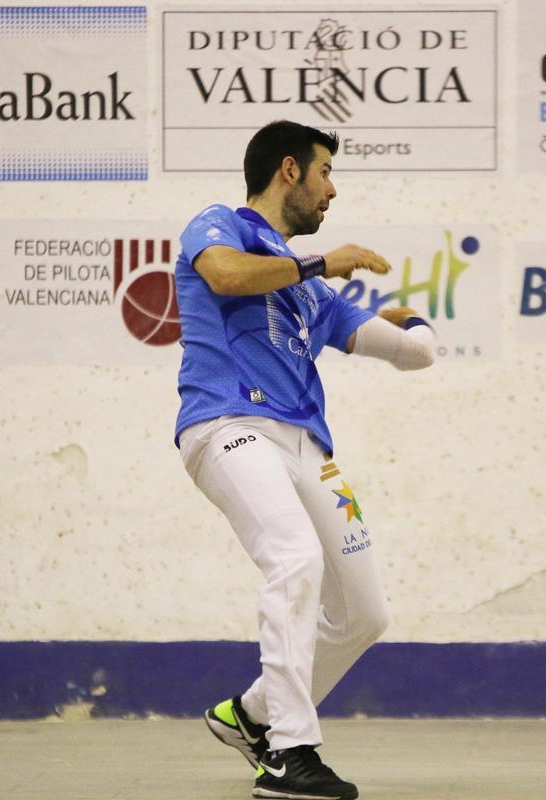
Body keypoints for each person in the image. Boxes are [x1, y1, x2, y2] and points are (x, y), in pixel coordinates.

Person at [174, 120, 436, 800]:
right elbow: (228, 278)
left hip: (307, 450)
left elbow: (410, 353)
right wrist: (326, 261)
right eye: (325, 174)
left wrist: (414, 324)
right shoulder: (218, 226)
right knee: (294, 559)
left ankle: (252, 715)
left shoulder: (312, 297)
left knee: (365, 612)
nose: (332, 191)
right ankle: (290, 753)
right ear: (289, 171)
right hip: (228, 426)